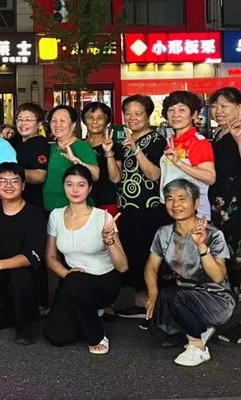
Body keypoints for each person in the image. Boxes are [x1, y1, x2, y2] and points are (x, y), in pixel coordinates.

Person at [145, 179, 235, 366]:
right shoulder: (163, 233)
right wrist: (152, 293)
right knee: (160, 334)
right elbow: (151, 266)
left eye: (182, 199)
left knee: (170, 295)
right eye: (170, 199)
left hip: (215, 298)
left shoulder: (213, 234)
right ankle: (202, 328)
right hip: (183, 295)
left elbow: (218, 277)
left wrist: (201, 246)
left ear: (196, 203)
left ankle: (198, 347)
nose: (175, 204)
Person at [44, 165, 128, 354]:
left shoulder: (102, 217)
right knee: (55, 337)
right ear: (63, 186)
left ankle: (97, 335)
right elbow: (50, 257)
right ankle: (87, 312)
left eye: (81, 185)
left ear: (89, 188)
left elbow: (122, 267)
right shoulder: (56, 215)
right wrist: (66, 273)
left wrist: (109, 240)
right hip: (72, 280)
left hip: (104, 281)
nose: (75, 190)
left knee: (76, 283)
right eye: (69, 184)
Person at [104, 95, 167, 319]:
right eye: (128, 113)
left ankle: (149, 305)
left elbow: (155, 174)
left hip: (149, 209)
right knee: (132, 254)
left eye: (138, 113)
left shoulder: (157, 140)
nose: (132, 118)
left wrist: (137, 150)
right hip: (128, 209)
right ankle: (140, 303)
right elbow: (115, 178)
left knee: (146, 255)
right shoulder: (125, 141)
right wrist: (109, 153)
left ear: (148, 115)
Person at [0, 163, 46, 345]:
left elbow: (31, 256)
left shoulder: (35, 214)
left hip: (24, 276)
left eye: (14, 181)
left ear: (23, 185)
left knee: (20, 277)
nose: (8, 185)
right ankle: (19, 311)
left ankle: (24, 326)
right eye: (3, 181)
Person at [10, 102, 50, 312]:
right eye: (20, 119)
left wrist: (10, 173)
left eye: (28, 120)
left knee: (33, 253)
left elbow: (40, 175)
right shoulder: (18, 142)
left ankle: (40, 302)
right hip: (16, 205)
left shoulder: (39, 143)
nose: (23, 123)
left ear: (39, 123)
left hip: (33, 206)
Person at [159, 91, 215, 220]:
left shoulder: (198, 142)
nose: (176, 115)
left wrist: (178, 162)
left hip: (194, 213)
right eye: (171, 110)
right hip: (173, 209)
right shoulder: (171, 141)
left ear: (194, 115)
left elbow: (210, 177)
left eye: (182, 110)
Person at [42, 105, 99, 213]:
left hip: (74, 212)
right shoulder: (51, 147)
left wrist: (77, 161)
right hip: (51, 210)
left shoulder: (82, 147)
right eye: (54, 121)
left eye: (62, 121)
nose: (57, 124)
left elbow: (95, 176)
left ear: (73, 125)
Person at [207, 88, 241, 254]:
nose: (218, 111)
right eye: (214, 106)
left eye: (224, 106)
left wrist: (238, 138)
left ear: (239, 108)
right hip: (219, 201)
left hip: (236, 202)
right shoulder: (219, 132)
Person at [83, 102, 119, 215]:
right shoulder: (79, 146)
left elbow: (116, 178)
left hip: (107, 203)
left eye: (100, 118)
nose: (95, 122)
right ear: (84, 120)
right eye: (90, 117)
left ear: (107, 121)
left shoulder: (115, 146)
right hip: (82, 203)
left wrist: (108, 152)